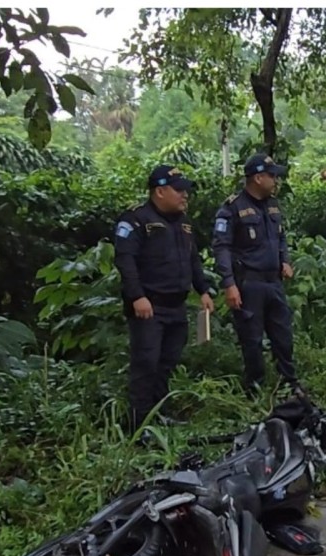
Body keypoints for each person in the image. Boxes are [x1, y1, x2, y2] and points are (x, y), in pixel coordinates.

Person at [113, 165, 214, 434]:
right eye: (179, 190)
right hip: (149, 306)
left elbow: (193, 260)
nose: (185, 196)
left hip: (176, 306)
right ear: (159, 191)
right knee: (146, 363)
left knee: (167, 362)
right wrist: (137, 296)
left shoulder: (184, 223)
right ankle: (139, 424)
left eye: (186, 190)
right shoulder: (136, 220)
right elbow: (126, 261)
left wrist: (203, 290)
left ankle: (159, 414)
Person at [212, 154, 299, 396]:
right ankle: (256, 389)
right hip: (248, 283)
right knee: (252, 340)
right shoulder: (233, 208)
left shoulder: (273, 204)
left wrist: (286, 260)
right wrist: (229, 284)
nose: (276, 180)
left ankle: (289, 384)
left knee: (283, 335)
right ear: (258, 177)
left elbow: (280, 236)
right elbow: (221, 247)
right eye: (272, 175)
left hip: (274, 282)